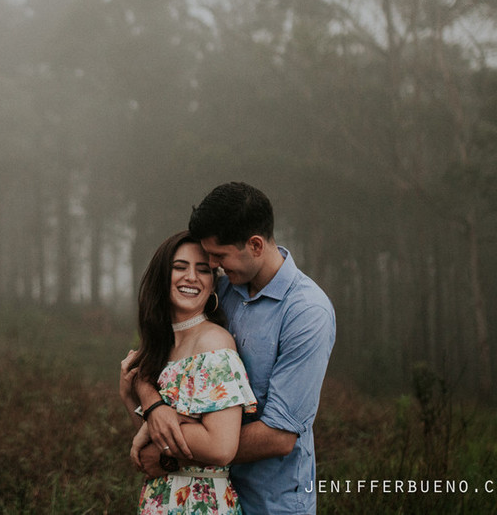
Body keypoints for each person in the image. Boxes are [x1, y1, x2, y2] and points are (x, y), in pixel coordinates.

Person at [134, 182, 336, 515]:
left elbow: (280, 435)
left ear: (255, 245)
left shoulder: (307, 312)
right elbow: (156, 358)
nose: (210, 264)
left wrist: (170, 449)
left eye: (219, 255)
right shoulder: (222, 289)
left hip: (272, 502)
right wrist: (154, 406)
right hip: (209, 493)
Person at [119, 230, 257, 515]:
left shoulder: (214, 343)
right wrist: (130, 400)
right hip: (160, 499)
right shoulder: (161, 347)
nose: (191, 277)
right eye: (180, 267)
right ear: (162, 276)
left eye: (203, 270)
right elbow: (150, 449)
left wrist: (155, 418)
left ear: (212, 284)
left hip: (201, 503)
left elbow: (221, 447)